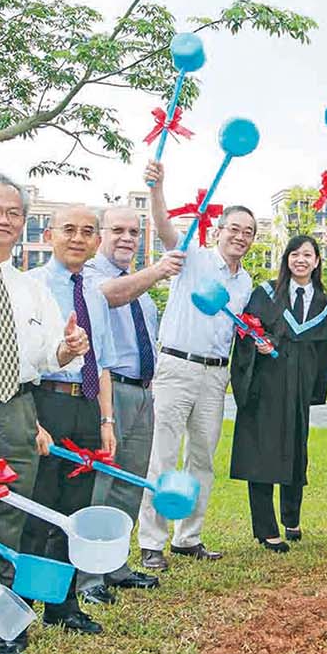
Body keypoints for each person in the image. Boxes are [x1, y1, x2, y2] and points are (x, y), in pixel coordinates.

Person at [0, 174, 91, 654]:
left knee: (8, 520)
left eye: (14, 214)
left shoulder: (30, 288)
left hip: (18, 407)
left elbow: (46, 354)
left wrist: (67, 348)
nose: (4, 221)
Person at [134, 170, 256, 570]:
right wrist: (157, 189)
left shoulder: (246, 283)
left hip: (215, 375)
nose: (240, 236)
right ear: (218, 230)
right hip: (176, 367)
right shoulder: (193, 259)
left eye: (249, 232)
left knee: (202, 458)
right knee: (163, 455)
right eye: (234, 228)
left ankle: (189, 537)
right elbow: (166, 228)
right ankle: (152, 541)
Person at [22, 204, 119, 634]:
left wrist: (107, 421)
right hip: (46, 401)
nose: (78, 238)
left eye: (87, 231)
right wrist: (32, 418)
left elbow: (104, 363)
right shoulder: (30, 286)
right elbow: (21, 361)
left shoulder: (96, 292)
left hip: (85, 406)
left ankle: (61, 605)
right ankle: (23, 604)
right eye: (68, 230)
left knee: (73, 510)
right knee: (37, 509)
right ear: (48, 235)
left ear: (97, 241)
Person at [88, 184, 180, 592]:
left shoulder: (140, 291)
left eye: (133, 233)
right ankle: (88, 574)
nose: (126, 239)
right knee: (101, 484)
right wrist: (157, 271)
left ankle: (116, 565)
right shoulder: (91, 277)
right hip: (111, 392)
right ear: (100, 236)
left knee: (130, 484)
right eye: (117, 231)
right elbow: (109, 297)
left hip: (144, 392)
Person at [230, 234, 327, 549]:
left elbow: (326, 352)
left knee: (296, 453)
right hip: (265, 386)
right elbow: (246, 332)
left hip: (298, 388)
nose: (301, 260)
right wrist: (256, 343)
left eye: (307, 255)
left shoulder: (323, 303)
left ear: (317, 261)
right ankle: (266, 529)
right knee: (262, 453)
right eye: (294, 254)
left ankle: (291, 518)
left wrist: (314, 390)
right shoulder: (266, 293)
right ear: (286, 259)